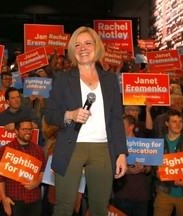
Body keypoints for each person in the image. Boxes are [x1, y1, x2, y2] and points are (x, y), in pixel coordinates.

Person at [44, 26, 128, 216]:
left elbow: (116, 119)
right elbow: (48, 114)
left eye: (87, 43)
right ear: (73, 50)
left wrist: (121, 153)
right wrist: (69, 115)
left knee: (100, 208)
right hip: (70, 147)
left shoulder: (110, 80)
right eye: (77, 44)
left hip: (103, 150)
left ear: (96, 46)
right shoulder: (62, 79)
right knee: (64, 207)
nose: (82, 48)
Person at [0, 119, 46, 216]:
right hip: (14, 200)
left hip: (34, 200)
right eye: (24, 129)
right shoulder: (6, 150)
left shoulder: (38, 150)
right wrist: (4, 199)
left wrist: (37, 182)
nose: (28, 132)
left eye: (30, 129)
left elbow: (43, 170)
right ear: (16, 131)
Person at [153, 109, 183, 216]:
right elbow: (154, 166)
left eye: (180, 121)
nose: (178, 124)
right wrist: (157, 173)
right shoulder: (159, 142)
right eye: (174, 121)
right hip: (164, 191)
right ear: (167, 123)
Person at [113, 115, 151, 216]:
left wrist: (143, 169)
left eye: (123, 125)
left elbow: (149, 168)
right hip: (121, 194)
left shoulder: (143, 144)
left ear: (132, 126)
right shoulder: (115, 145)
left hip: (141, 194)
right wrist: (125, 170)